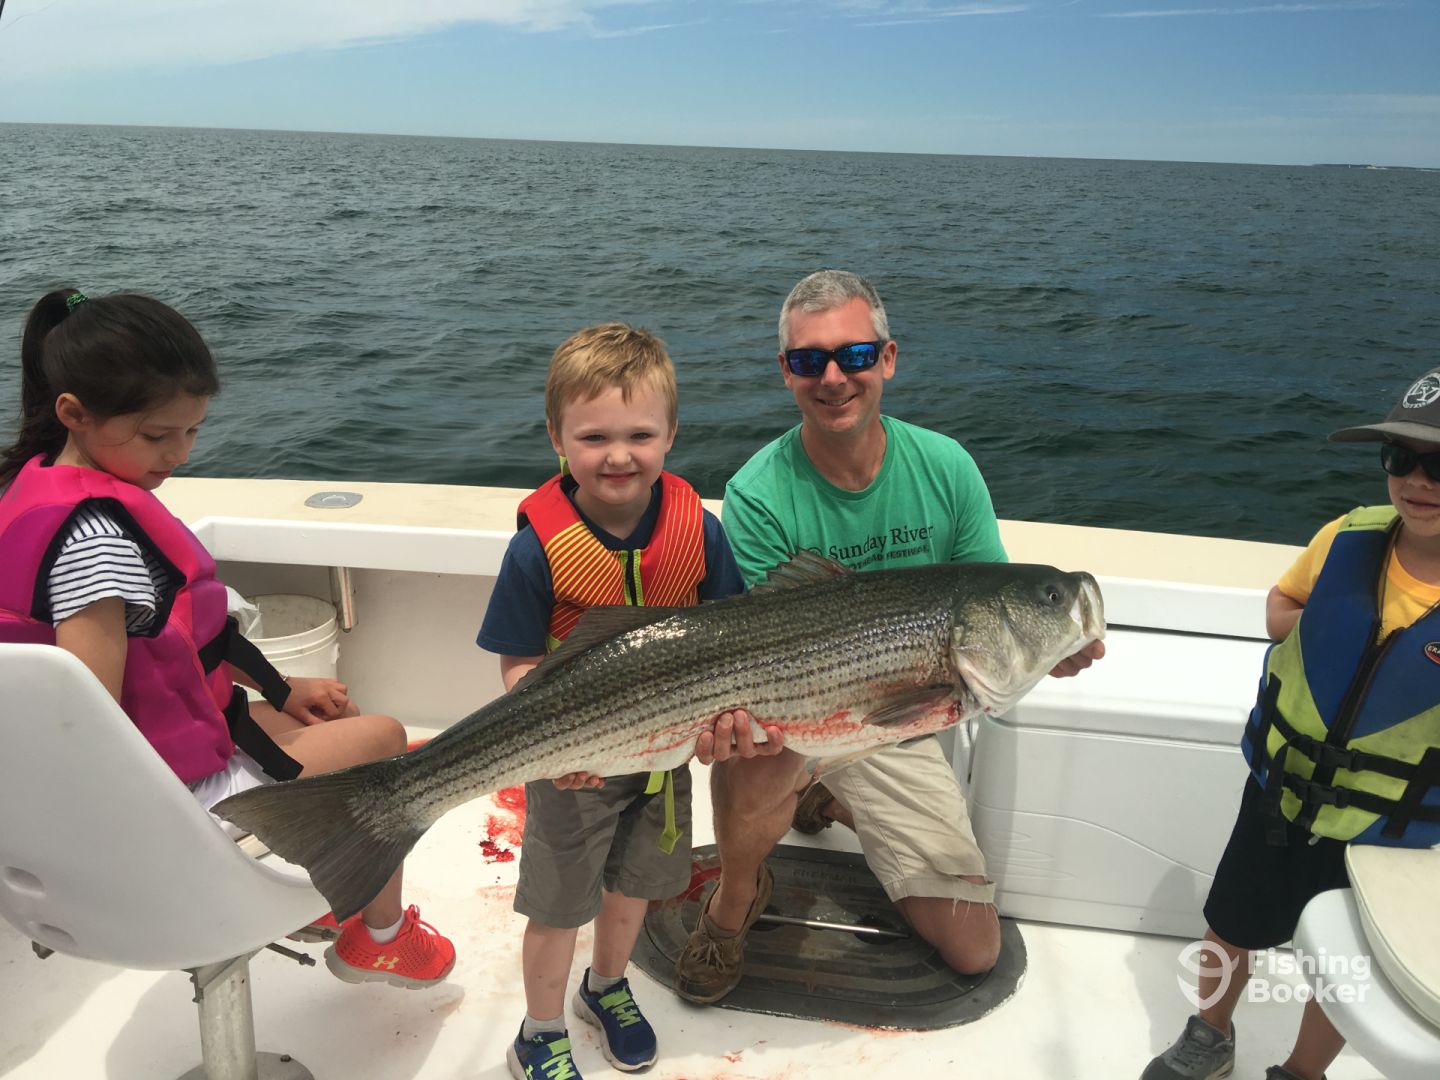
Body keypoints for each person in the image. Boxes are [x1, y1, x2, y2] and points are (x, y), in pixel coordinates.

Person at [0, 288, 455, 989]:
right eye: (158, 436)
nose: (180, 453)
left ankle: (332, 891)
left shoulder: (37, 488)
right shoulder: (97, 546)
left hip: (152, 767)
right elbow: (84, 724)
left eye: (192, 431)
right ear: (74, 413)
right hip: (157, 806)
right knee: (387, 741)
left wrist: (282, 689)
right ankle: (382, 938)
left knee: (339, 718)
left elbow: (183, 640)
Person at [675, 269, 1103, 1004]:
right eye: (809, 360)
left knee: (974, 950)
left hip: (899, 719)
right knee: (758, 759)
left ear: (888, 358)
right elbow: (758, 648)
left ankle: (826, 800)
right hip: (796, 710)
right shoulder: (757, 493)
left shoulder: (946, 467)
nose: (833, 378)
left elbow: (988, 610)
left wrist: (1046, 652)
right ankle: (735, 898)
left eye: (854, 355)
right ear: (786, 371)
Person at [1141, 367, 1440, 1080]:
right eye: (1400, 457)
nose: (1417, 480)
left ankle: (1303, 1072)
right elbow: (1281, 605)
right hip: (1282, 790)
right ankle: (1209, 1032)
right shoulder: (1347, 537)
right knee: (1230, 923)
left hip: (1384, 827)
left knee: (1348, 965)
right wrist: (1327, 634)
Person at [477, 323, 747, 1080]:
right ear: (557, 439)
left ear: (671, 435)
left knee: (635, 890)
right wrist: (555, 748)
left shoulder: (701, 532)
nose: (618, 455)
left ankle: (605, 987)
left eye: (640, 435)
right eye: (593, 437)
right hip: (573, 767)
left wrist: (727, 724)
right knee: (558, 906)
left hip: (663, 760)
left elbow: (734, 642)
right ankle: (539, 1031)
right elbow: (519, 663)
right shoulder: (536, 549)